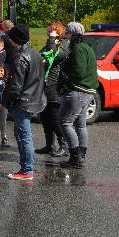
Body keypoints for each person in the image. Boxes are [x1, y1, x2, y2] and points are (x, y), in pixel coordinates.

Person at [2, 24, 46, 181]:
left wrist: (6, 101)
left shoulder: (21, 57)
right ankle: (27, 167)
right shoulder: (34, 54)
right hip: (33, 99)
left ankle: (27, 169)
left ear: (15, 40)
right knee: (24, 135)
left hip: (23, 101)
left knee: (23, 135)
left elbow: (16, 86)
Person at [57, 22, 98, 169]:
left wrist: (65, 84)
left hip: (78, 90)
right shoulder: (87, 46)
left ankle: (75, 157)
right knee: (80, 125)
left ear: (72, 35)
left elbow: (78, 72)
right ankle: (81, 155)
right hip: (88, 91)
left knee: (64, 122)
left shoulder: (79, 48)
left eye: (67, 34)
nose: (65, 37)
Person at [36, 21, 70, 156]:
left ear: (58, 31)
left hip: (55, 85)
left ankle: (64, 146)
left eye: (51, 30)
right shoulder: (50, 44)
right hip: (45, 85)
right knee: (44, 117)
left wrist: (52, 39)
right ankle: (49, 145)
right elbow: (41, 57)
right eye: (48, 30)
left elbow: (56, 56)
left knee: (55, 118)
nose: (48, 32)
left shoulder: (64, 44)